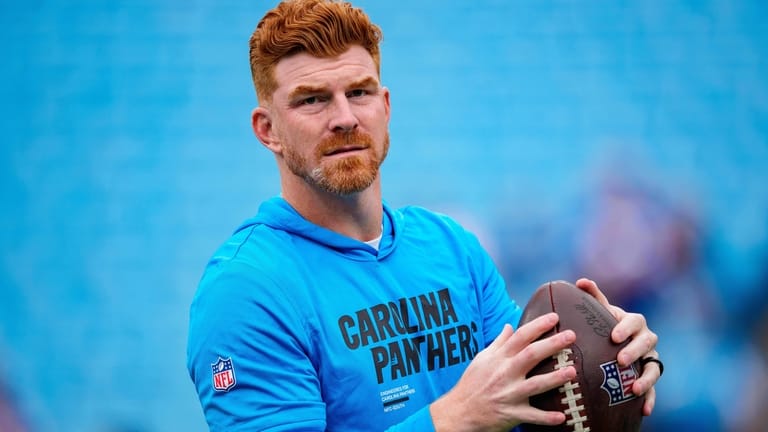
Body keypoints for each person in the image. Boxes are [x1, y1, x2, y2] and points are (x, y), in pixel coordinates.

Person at [186, 1, 662, 430]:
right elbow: (478, 409)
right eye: (312, 99)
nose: (345, 117)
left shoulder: (451, 247)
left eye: (360, 92)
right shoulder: (248, 289)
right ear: (267, 129)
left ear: (386, 106)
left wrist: (615, 362)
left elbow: (537, 399)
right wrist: (453, 418)